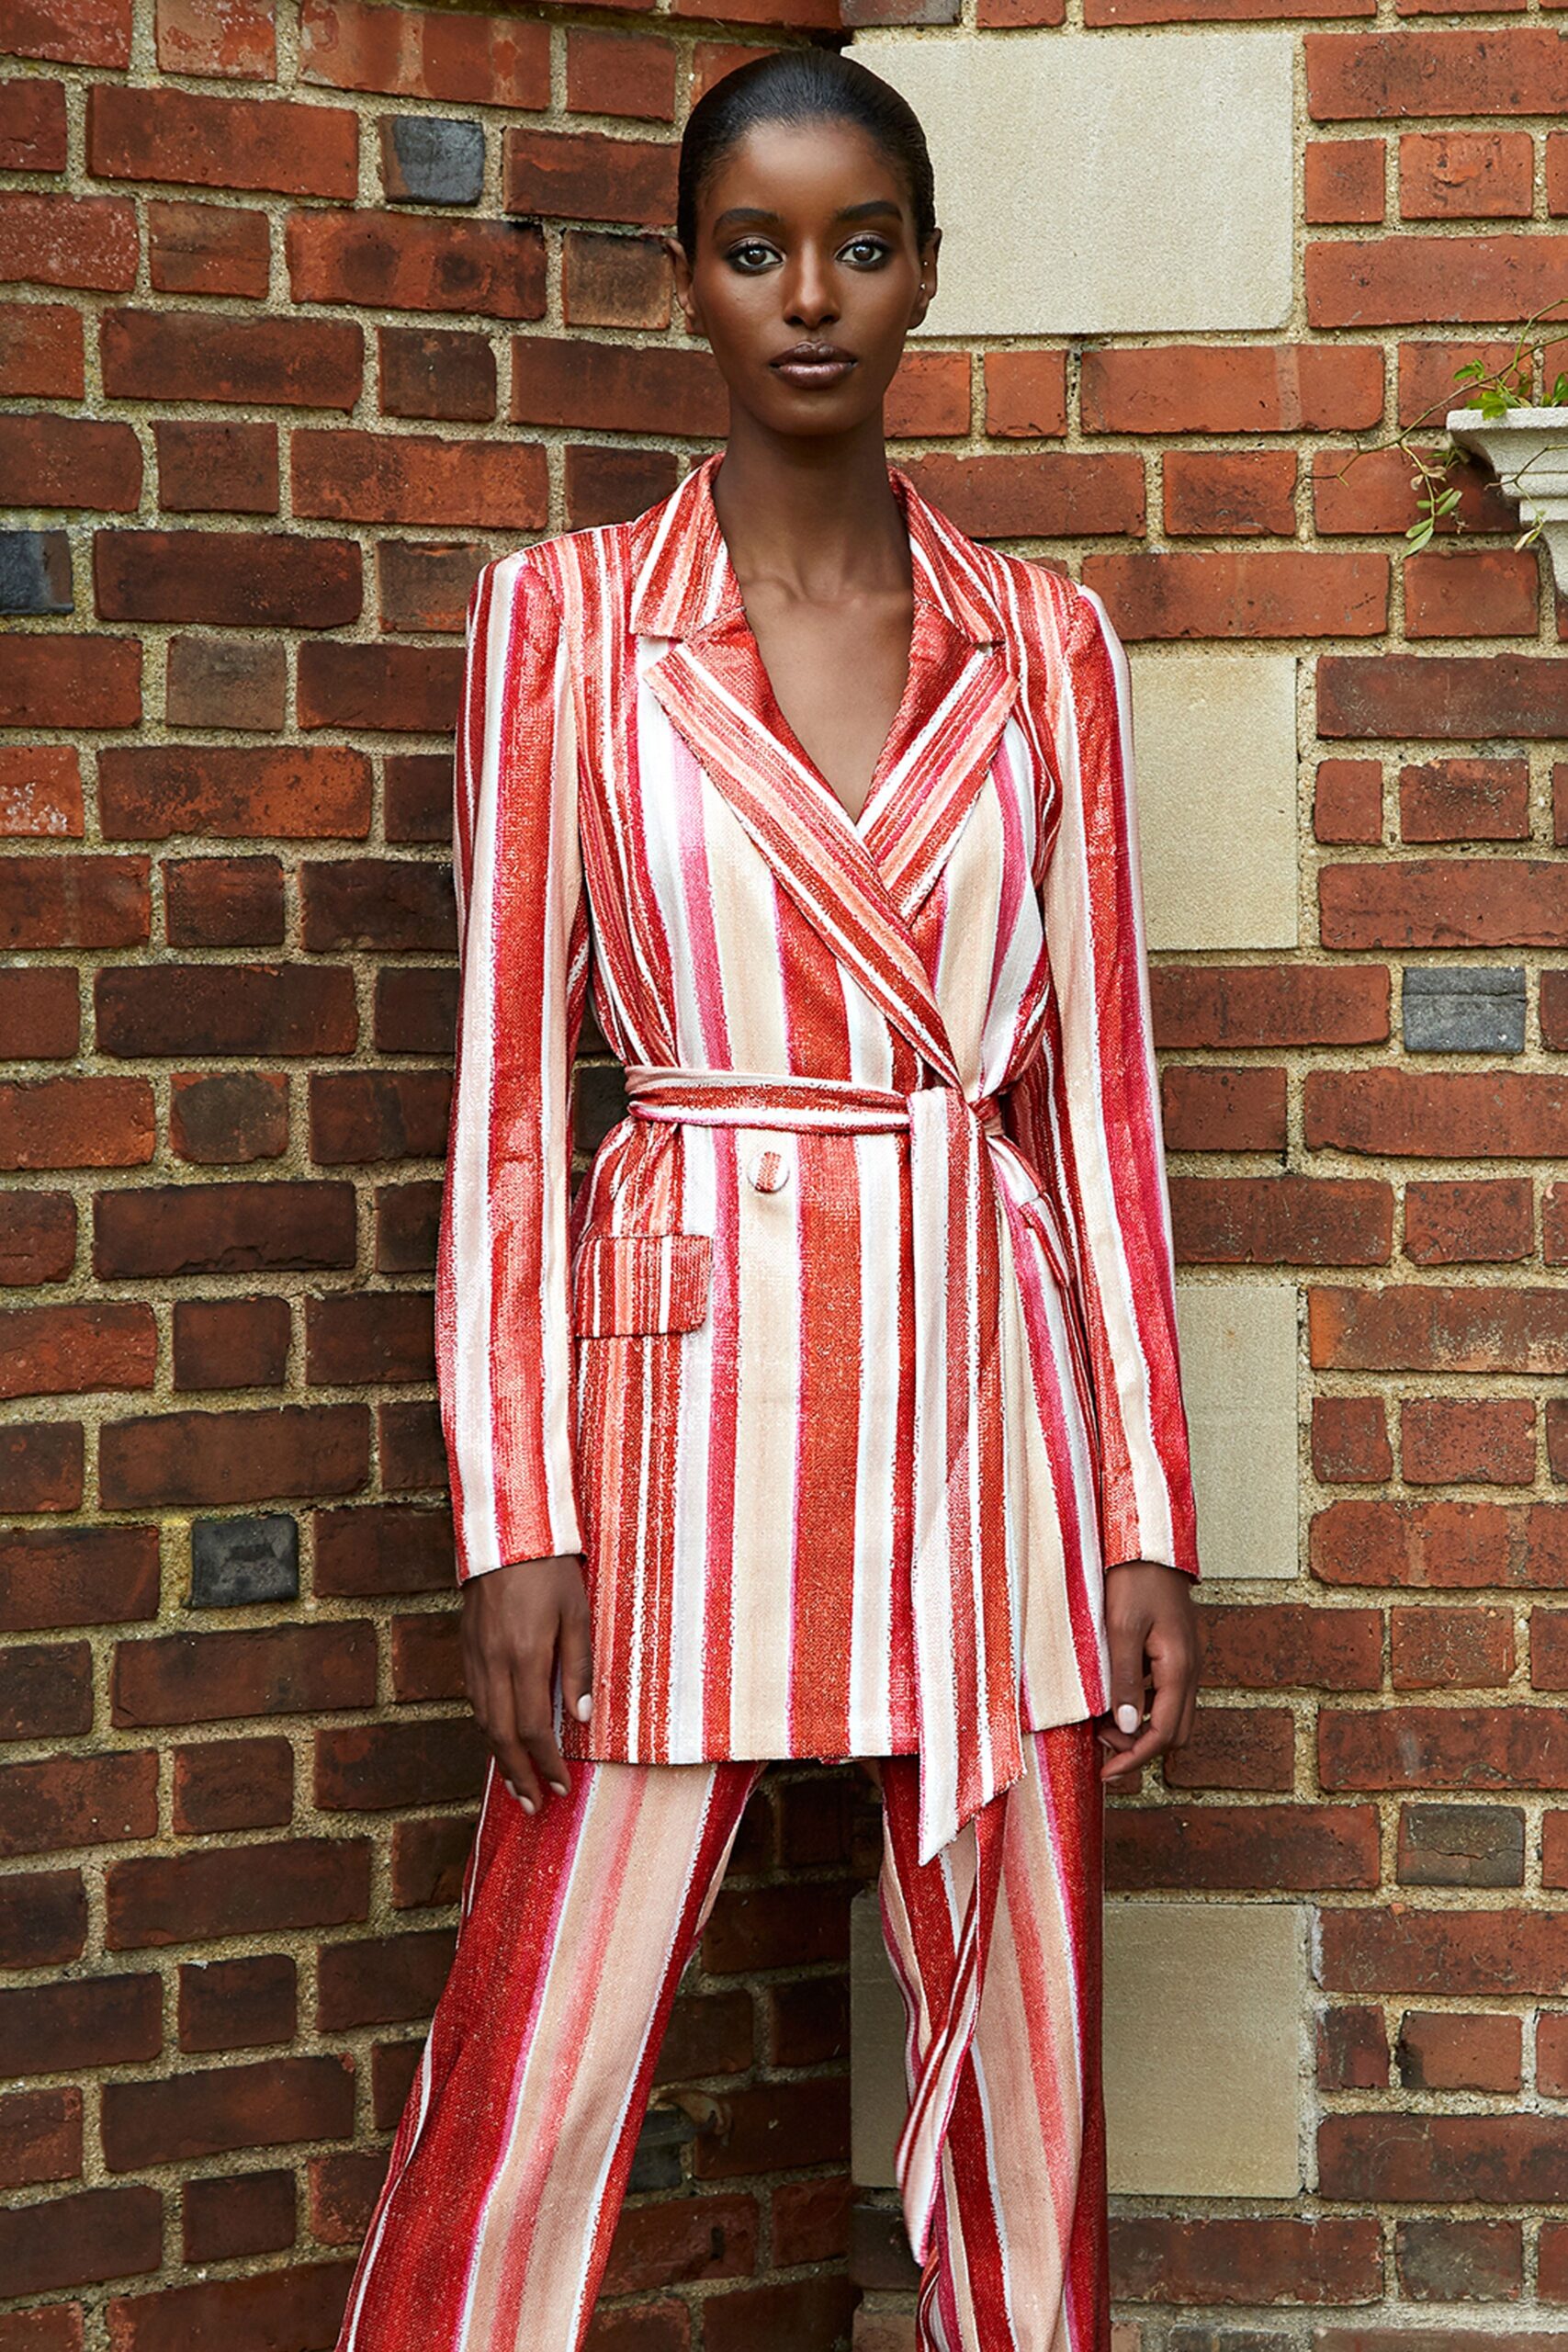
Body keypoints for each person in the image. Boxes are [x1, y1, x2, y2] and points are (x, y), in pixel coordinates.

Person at [332, 43, 1202, 2352]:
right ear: (689, 284)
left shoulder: (1048, 646)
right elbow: (506, 1103)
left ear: (925, 268)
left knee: (1026, 2068)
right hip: (676, 1399)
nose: (807, 298)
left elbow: (1090, 1100)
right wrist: (510, 1514)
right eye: (752, 250)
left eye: (859, 245)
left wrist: (1141, 1510)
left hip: (986, 1391)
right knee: (533, 2053)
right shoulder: (569, 626)